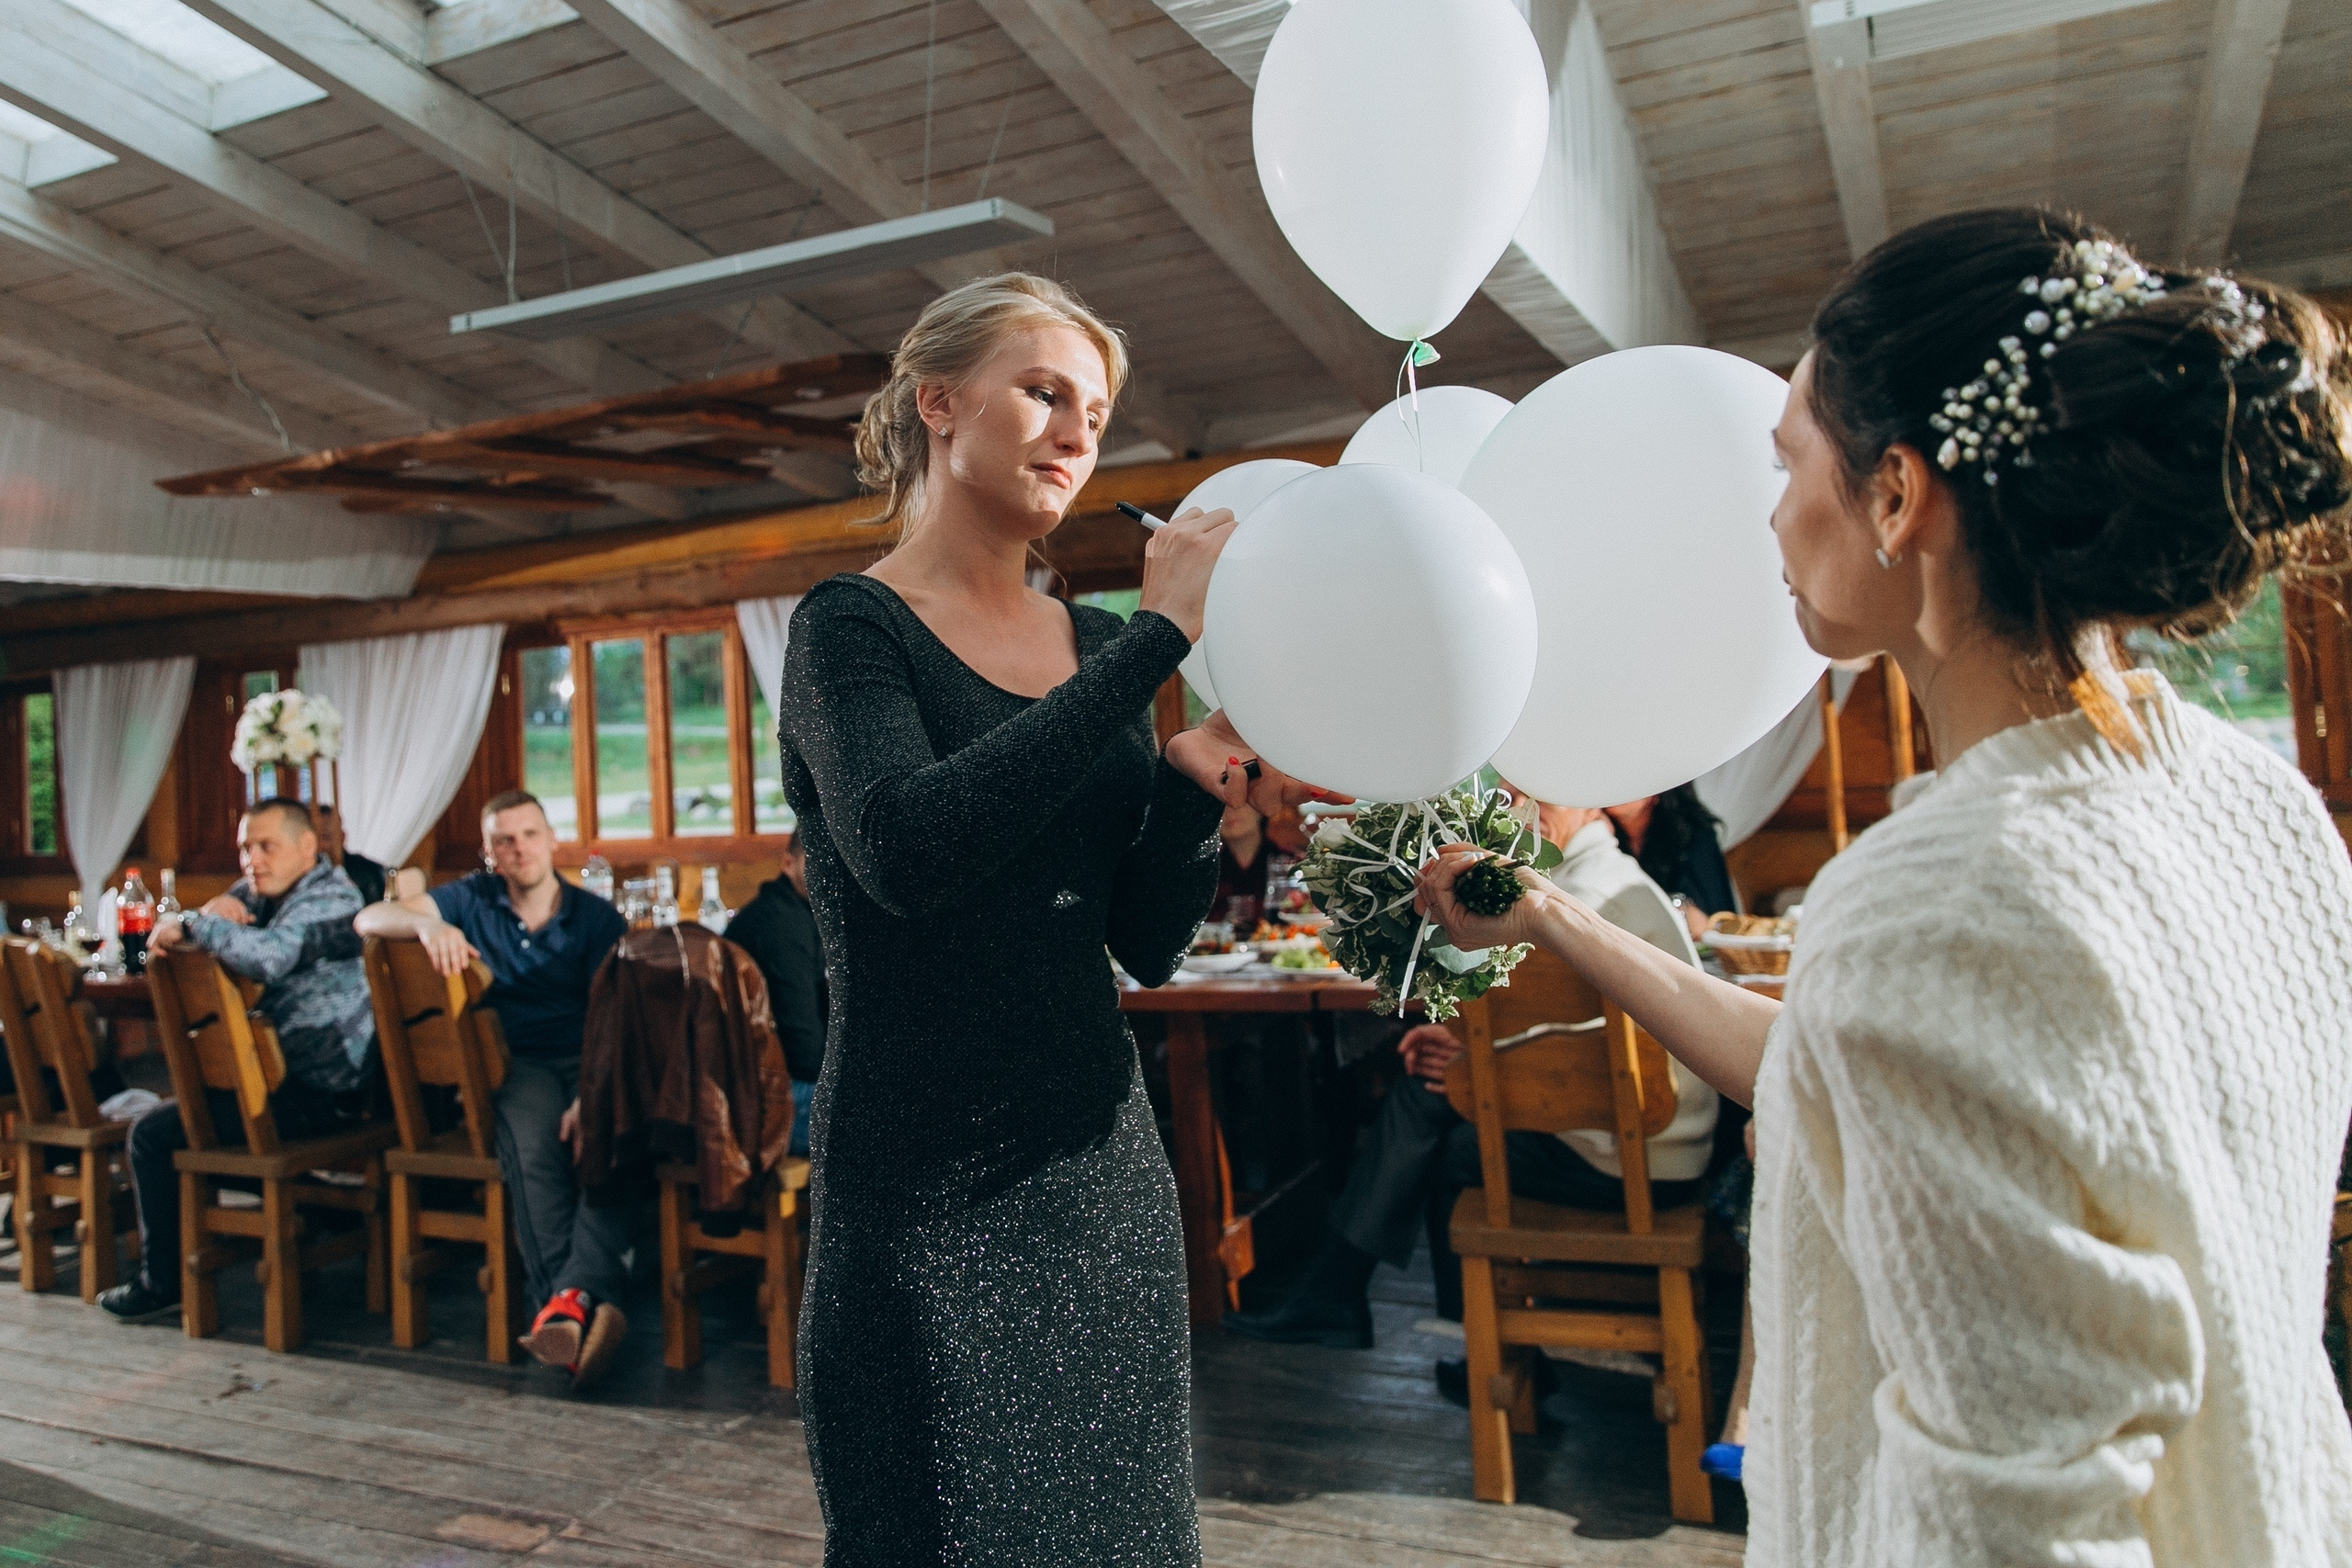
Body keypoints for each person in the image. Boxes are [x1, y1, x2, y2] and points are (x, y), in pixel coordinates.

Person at [1417, 209, 2352, 1565]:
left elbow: (2025, 1512)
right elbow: (1828, 1064)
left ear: (1899, 494)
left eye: (1790, 457)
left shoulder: (1935, 897)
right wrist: (1551, 910)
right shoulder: (2259, 804)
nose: (1775, 508)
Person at [779, 272, 1326, 1565]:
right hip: (918, 1186)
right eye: (1045, 391)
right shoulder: (850, 629)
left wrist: (1190, 791)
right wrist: (1156, 643)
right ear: (941, 403)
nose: (1081, 430)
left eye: (1095, 407)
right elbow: (911, 850)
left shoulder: (1091, 640)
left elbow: (1141, 936)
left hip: (1098, 1181)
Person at [1225, 784, 1718, 1394]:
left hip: (1636, 1147)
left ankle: (1485, 1345)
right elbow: (1558, 1033)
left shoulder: (1583, 894)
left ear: (1591, 804)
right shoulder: (1604, 877)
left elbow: (1553, 1038)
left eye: (1545, 799)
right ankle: (1367, 1302)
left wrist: (1463, 1062)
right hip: (1655, 1136)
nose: (1526, 813)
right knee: (1436, 1102)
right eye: (1517, 797)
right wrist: (1463, 1053)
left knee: (1449, 1139)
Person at [354, 791, 630, 1387]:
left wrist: (590, 1093)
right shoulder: (472, 899)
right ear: (489, 852)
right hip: (514, 1062)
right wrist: (428, 926)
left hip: (590, 1062)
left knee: (611, 1137)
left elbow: (617, 1020)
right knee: (533, 1146)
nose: (519, 848)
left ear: (551, 838)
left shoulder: (594, 917)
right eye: (504, 840)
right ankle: (580, 1301)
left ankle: (567, 1307)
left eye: (529, 834)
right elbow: (369, 918)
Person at [98, 798, 376, 1323]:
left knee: (154, 1137)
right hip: (276, 1081)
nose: (252, 860)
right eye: (246, 848)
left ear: (307, 847)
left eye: (266, 846)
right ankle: (316, 1205)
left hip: (324, 1091)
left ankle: (161, 1286)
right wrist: (213, 908)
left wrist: (196, 924)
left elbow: (272, 955)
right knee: (176, 1133)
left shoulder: (334, 899)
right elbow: (231, 914)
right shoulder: (266, 891)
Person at [720, 834, 823, 1157]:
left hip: (769, 1088)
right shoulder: (781, 924)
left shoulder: (803, 912)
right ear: (788, 864)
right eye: (816, 863)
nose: (828, 874)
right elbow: (805, 1051)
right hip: (770, 1103)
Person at [1605, 784, 1737, 931]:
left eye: (1626, 783)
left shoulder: (1694, 836)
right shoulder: (1604, 836)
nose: (1613, 792)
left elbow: (1712, 920)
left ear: (1655, 791)